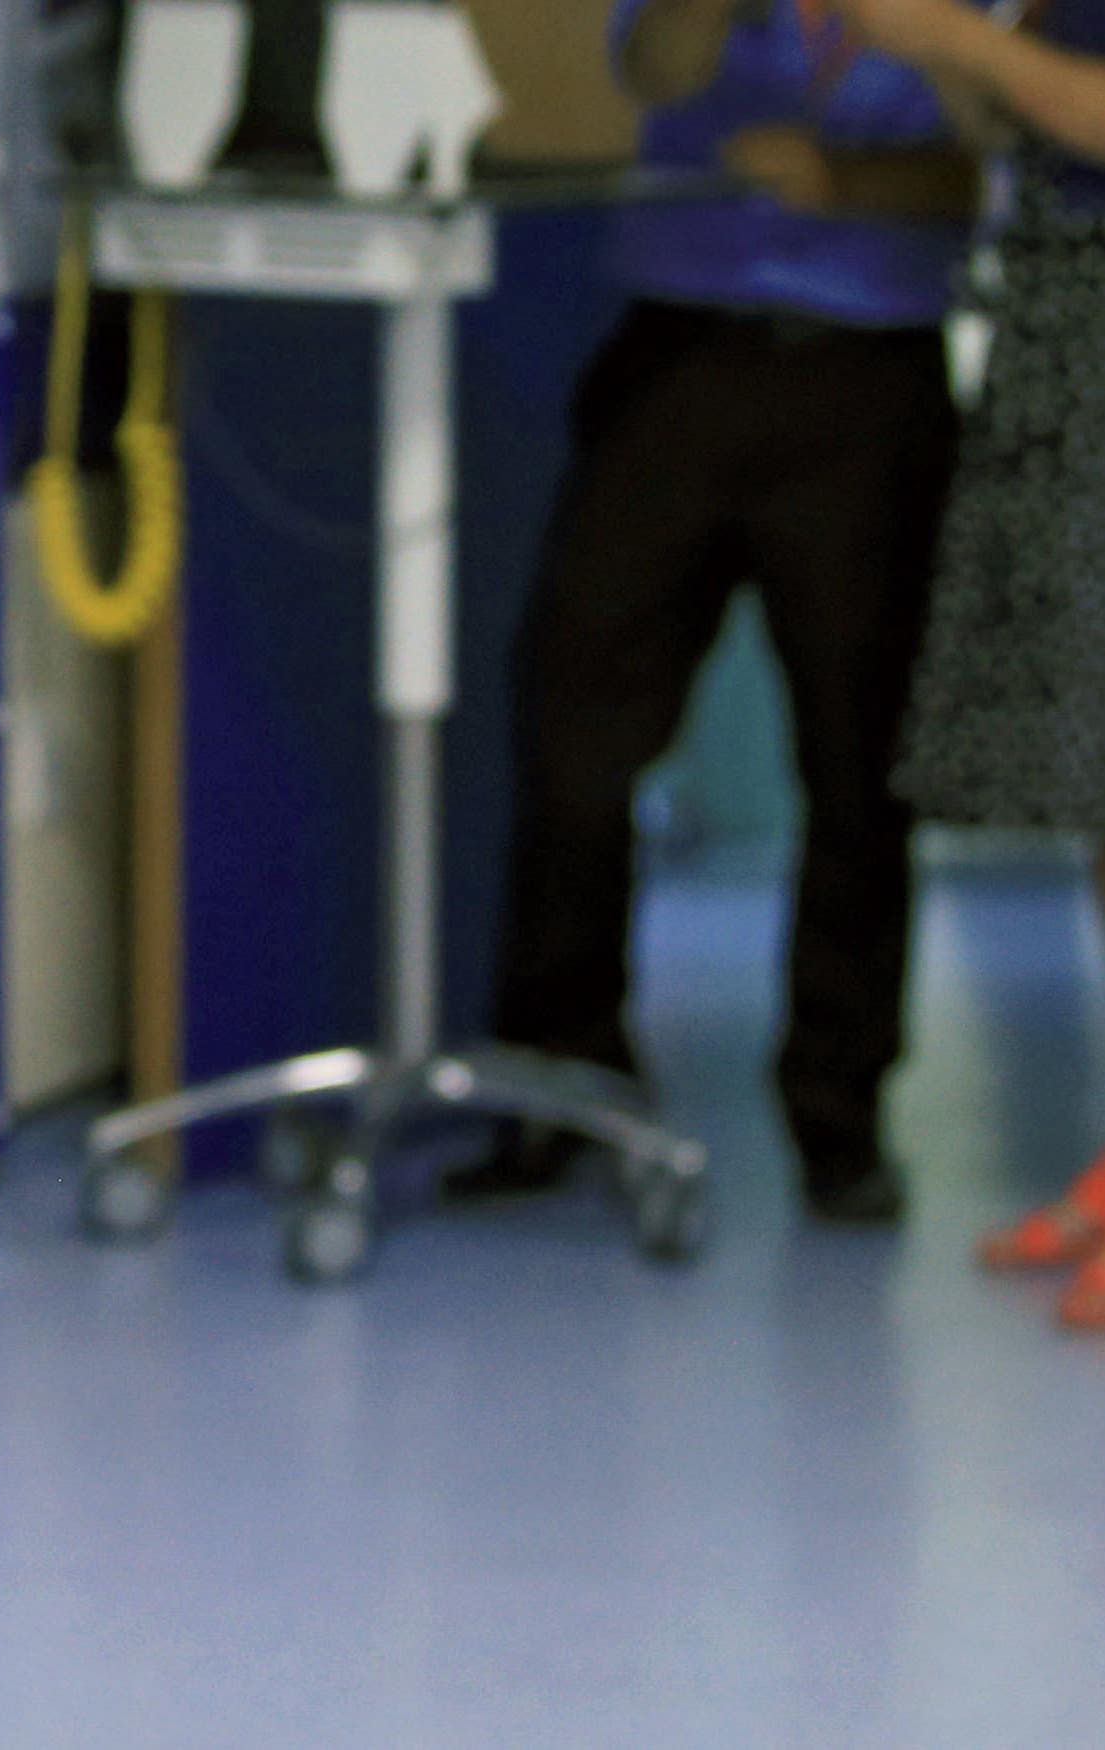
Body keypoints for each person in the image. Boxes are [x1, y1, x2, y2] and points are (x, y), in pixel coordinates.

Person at [451, 0, 983, 1222]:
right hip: (680, 364)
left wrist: (844, 174)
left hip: (873, 377)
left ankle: (841, 1115)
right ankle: (559, 1082)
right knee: (575, 727)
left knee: (860, 768)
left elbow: (990, 165)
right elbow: (656, 67)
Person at [833, 0, 1105, 1320]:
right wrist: (944, 46)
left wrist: (960, 36)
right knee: (1096, 783)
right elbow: (1010, 122)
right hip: (1064, 315)